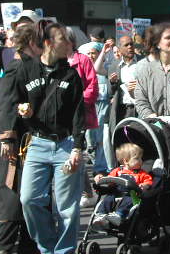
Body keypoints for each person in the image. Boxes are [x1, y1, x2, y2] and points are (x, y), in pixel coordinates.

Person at [13, 22, 86, 254]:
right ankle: (47, 246)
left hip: (65, 146)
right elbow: (14, 101)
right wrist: (22, 110)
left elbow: (78, 114)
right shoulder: (26, 70)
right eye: (63, 39)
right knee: (29, 199)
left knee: (67, 207)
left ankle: (63, 251)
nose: (69, 44)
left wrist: (77, 148)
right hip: (37, 144)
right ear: (48, 43)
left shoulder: (71, 74)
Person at [0, 23, 42, 254]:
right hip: (18, 142)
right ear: (32, 42)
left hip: (32, 138)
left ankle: (28, 245)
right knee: (13, 191)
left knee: (30, 192)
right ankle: (3, 246)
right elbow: (7, 105)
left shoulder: (35, 65)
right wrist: (7, 138)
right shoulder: (17, 66)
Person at [66, 27, 99, 208]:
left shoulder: (83, 60)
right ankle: (86, 190)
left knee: (75, 149)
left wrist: (76, 101)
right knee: (69, 151)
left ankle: (82, 191)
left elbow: (92, 88)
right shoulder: (57, 61)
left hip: (80, 114)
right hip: (62, 116)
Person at [92, 143, 152, 229]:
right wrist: (101, 177)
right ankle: (101, 215)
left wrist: (144, 185)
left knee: (129, 200)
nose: (141, 161)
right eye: (137, 159)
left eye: (141, 158)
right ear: (126, 161)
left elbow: (148, 181)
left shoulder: (141, 173)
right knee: (107, 199)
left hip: (132, 195)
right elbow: (109, 179)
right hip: (116, 193)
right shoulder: (117, 171)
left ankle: (119, 215)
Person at [78, 40, 113, 179]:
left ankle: (100, 167)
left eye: (94, 53)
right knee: (90, 139)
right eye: (89, 53)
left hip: (104, 107)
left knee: (101, 139)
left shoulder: (105, 68)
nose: (91, 56)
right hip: (89, 107)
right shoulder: (84, 70)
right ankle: (94, 161)